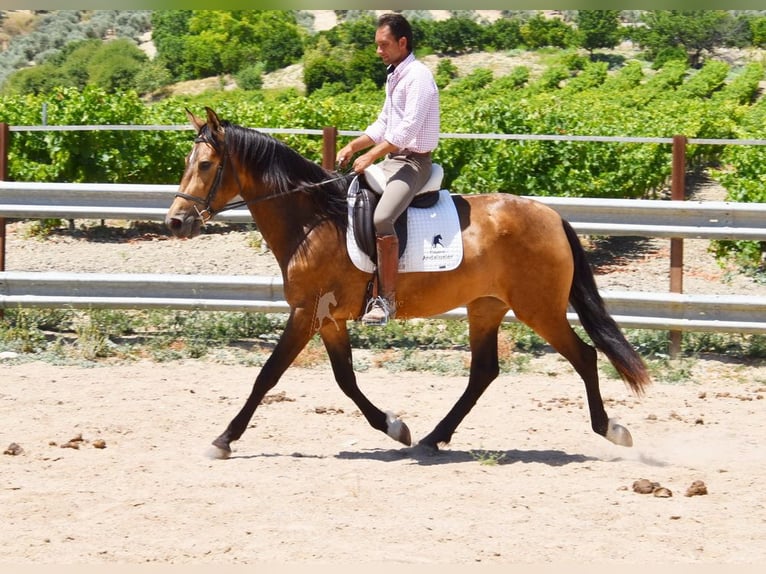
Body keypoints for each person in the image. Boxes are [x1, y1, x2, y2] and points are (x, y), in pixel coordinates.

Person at [337, 12, 440, 326]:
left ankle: (386, 300)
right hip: (394, 160)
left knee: (382, 217)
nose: (378, 51)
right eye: (377, 45)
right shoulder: (395, 75)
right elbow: (384, 124)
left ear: (402, 42)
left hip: (413, 162)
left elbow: (407, 131)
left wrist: (371, 157)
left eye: (383, 45)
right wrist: (354, 146)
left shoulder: (419, 77)